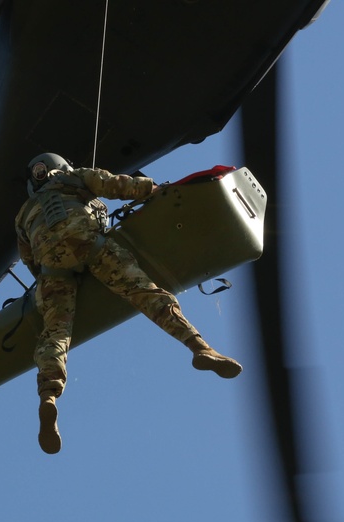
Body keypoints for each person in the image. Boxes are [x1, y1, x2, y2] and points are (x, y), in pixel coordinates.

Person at [14, 153, 243, 454]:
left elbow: (29, 259)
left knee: (56, 333)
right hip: (92, 246)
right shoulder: (74, 177)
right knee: (147, 294)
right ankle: (200, 348)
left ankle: (49, 396)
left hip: (52, 270)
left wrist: (57, 274)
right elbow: (116, 185)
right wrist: (155, 190)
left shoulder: (22, 215)